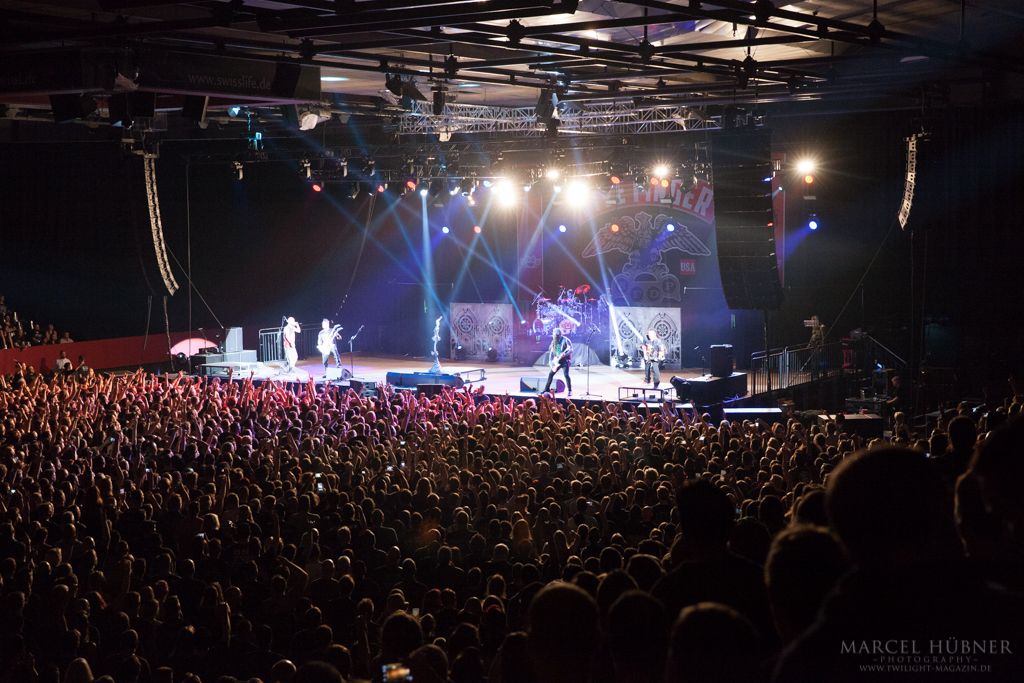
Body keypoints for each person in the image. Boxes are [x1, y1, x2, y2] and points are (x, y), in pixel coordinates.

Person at [543, 328, 572, 395]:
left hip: (565, 361)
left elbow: (571, 350)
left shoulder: (565, 340)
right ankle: (546, 389)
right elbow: (551, 352)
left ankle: (570, 390)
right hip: (557, 361)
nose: (555, 337)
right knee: (551, 374)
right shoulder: (554, 341)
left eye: (557, 336)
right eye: (554, 336)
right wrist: (551, 363)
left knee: (566, 375)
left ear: (559, 335)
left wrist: (565, 355)